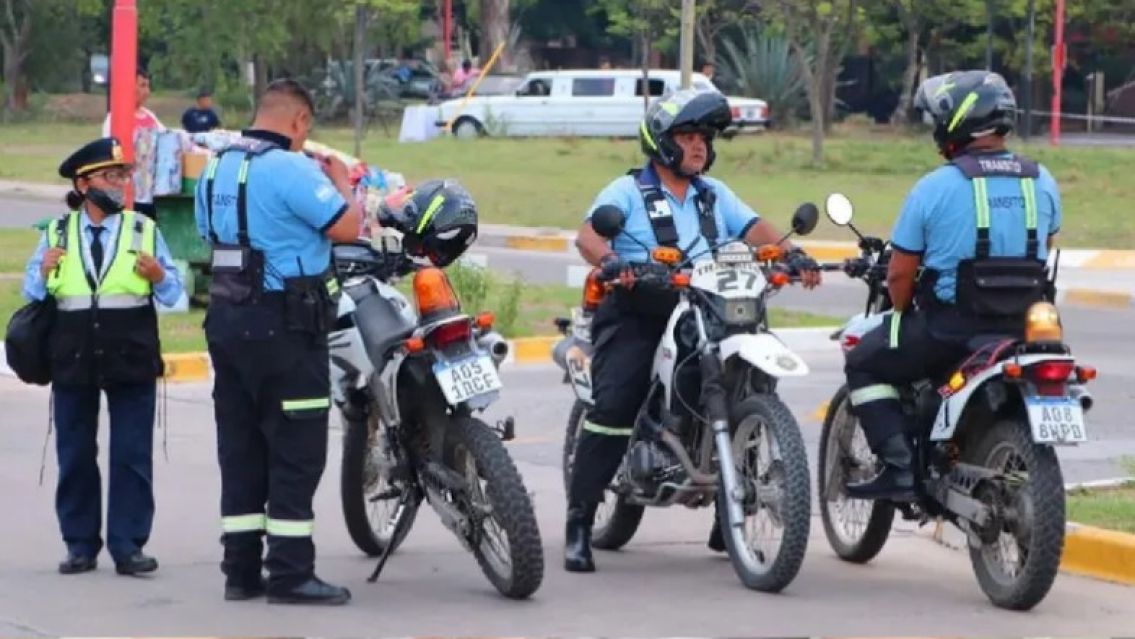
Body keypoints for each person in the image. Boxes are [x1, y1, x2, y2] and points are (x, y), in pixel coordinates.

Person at [564, 89, 822, 573]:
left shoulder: (713, 193)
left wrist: (791, 255)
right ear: (662, 142)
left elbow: (755, 229)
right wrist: (613, 261)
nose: (699, 146)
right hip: (641, 308)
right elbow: (588, 235)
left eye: (704, 137)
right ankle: (579, 521)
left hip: (711, 305)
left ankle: (731, 514)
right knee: (616, 402)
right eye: (687, 136)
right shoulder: (626, 192)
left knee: (749, 380)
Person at [842, 70, 1061, 501]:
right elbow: (1043, 245)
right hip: (1023, 334)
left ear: (957, 122)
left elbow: (901, 274)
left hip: (950, 332)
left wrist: (902, 311)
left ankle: (901, 468)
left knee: (864, 362)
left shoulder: (936, 187)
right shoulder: (1044, 180)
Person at [194, 78, 362, 605]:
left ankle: (240, 571)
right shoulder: (293, 168)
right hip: (286, 327)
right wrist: (342, 184)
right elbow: (348, 228)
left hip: (226, 322)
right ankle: (291, 574)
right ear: (299, 122)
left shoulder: (216, 165)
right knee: (295, 450)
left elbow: (207, 232)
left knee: (240, 447)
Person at [21, 136, 183, 576]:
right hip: (73, 358)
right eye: (111, 177)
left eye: (123, 177)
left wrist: (159, 274)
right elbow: (32, 296)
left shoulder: (143, 230)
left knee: (132, 454)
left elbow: (176, 296)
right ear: (83, 183)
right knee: (74, 453)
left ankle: (128, 545)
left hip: (130, 356)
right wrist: (43, 270)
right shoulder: (56, 232)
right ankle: (79, 544)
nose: (119, 186)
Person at [102, 68, 164, 219]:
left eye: (148, 86)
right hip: (127, 188)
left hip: (150, 190)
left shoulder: (150, 116)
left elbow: (165, 138)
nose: (146, 91)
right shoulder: (115, 118)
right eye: (142, 85)